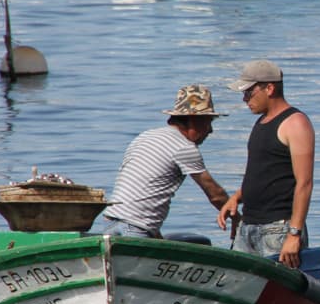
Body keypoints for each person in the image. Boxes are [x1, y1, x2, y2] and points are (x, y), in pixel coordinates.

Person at [98, 84, 232, 239]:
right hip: (135, 227)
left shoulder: (146, 136)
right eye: (208, 122)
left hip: (110, 220)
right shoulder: (184, 147)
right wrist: (237, 218)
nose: (210, 130)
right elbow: (216, 195)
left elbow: (143, 190)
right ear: (194, 121)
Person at [217, 59, 315, 268]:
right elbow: (262, 172)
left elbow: (304, 183)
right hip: (248, 226)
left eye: (249, 92)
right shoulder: (261, 122)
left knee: (277, 288)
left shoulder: (295, 123)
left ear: (269, 88)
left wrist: (294, 234)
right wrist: (236, 197)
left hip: (278, 229)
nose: (244, 99)